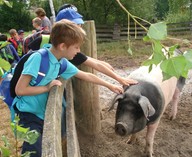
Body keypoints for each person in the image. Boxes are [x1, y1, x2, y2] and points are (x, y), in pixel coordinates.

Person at [11, 19, 124, 157]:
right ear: (63, 46)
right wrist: (47, 87)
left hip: (42, 113)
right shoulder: (38, 59)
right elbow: (20, 90)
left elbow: (86, 75)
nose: (79, 51)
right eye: (76, 47)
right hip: (29, 114)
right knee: (33, 152)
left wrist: (110, 85)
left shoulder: (62, 63)